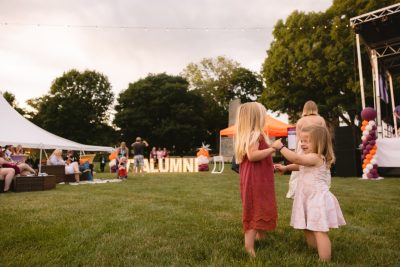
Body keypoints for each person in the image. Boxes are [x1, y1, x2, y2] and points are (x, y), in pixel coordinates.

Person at [273, 125, 346, 262]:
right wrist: (286, 167)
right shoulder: (309, 158)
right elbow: (299, 165)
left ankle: (324, 260)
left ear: (320, 142)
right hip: (307, 198)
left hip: (316, 199)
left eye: (307, 141)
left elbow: (298, 160)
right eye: (302, 140)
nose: (303, 143)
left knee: (319, 230)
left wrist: (281, 147)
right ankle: (313, 250)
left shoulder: (317, 157)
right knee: (307, 226)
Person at [233, 102, 278, 257]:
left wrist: (271, 165)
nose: (265, 117)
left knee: (259, 205)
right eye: (263, 115)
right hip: (255, 179)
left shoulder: (249, 134)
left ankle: (259, 237)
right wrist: (273, 148)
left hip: (255, 176)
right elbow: (253, 156)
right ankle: (249, 247)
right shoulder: (255, 134)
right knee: (253, 209)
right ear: (255, 118)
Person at [286, 100, 326, 199]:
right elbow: (324, 134)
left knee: (299, 167)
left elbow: (298, 137)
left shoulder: (300, 121)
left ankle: (295, 191)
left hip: (302, 145)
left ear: (304, 109)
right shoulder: (320, 119)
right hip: (317, 145)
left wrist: (297, 150)